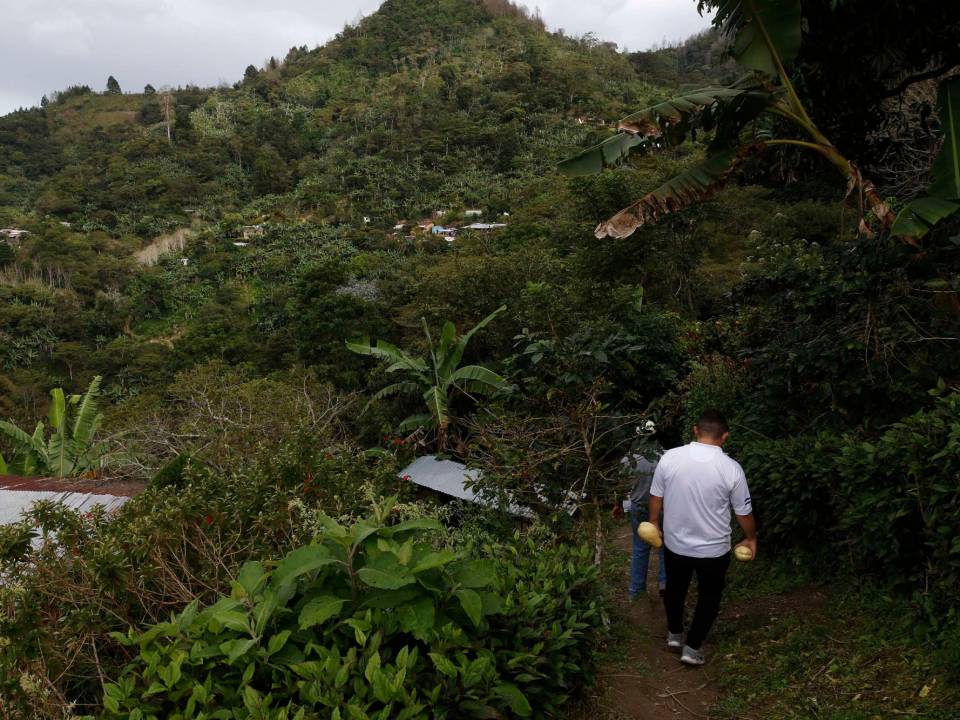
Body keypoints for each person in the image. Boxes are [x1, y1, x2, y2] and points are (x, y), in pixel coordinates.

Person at [648, 409, 757, 666]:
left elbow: (656, 497)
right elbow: (744, 512)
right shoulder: (731, 469)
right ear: (725, 436)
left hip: (676, 544)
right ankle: (693, 647)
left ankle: (674, 634)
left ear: (695, 430)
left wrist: (654, 522)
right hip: (714, 550)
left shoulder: (670, 458)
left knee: (675, 588)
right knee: (709, 596)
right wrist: (750, 538)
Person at [622, 452, 667, 599]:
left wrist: (617, 505)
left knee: (640, 548)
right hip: (662, 507)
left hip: (639, 506)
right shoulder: (666, 457)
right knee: (665, 547)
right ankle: (664, 583)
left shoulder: (627, 459)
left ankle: (636, 591)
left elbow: (623, 487)